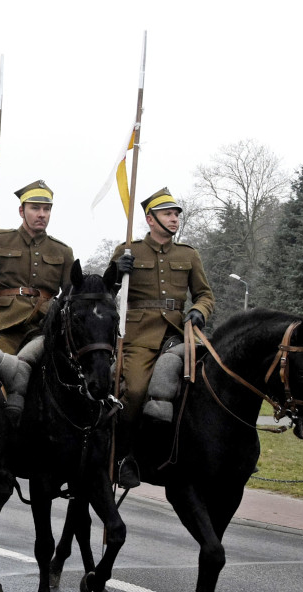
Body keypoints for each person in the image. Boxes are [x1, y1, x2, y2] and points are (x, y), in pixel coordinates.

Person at [105, 187, 215, 488]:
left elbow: (204, 294)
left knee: (211, 381)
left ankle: (216, 449)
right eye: (168, 214)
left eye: (177, 214)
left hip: (179, 333)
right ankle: (124, 457)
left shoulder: (188, 254)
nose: (175, 219)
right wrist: (116, 272)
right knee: (137, 390)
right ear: (150, 219)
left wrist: (199, 311)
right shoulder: (129, 250)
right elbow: (105, 293)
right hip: (138, 335)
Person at [0, 180, 74, 354]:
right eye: (35, 208)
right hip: (5, 325)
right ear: (21, 211)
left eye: (47, 209)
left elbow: (71, 294)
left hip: (45, 325)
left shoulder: (63, 251)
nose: (42, 214)